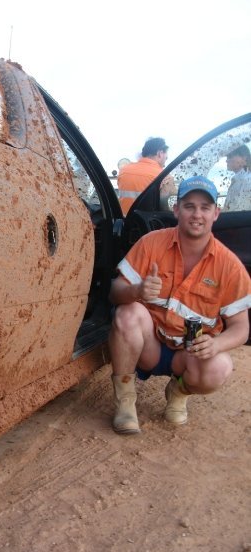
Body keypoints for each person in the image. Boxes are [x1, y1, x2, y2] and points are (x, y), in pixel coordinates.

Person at [108, 175, 251, 435]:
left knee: (220, 366)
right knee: (128, 311)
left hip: (188, 357)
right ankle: (125, 402)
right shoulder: (151, 243)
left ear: (216, 213)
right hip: (148, 348)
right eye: (189, 206)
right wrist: (135, 290)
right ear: (176, 209)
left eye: (205, 208)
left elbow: (241, 328)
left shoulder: (230, 266)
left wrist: (216, 344)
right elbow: (114, 292)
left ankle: (178, 391)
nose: (197, 214)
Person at [118, 137, 172, 216]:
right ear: (160, 153)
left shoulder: (124, 171)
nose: (166, 158)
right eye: (166, 155)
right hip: (147, 225)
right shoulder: (164, 176)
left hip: (124, 223)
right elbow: (167, 208)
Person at [223, 144, 251, 211]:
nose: (226, 160)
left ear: (244, 158)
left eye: (230, 156)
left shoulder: (246, 181)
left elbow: (236, 210)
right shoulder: (239, 179)